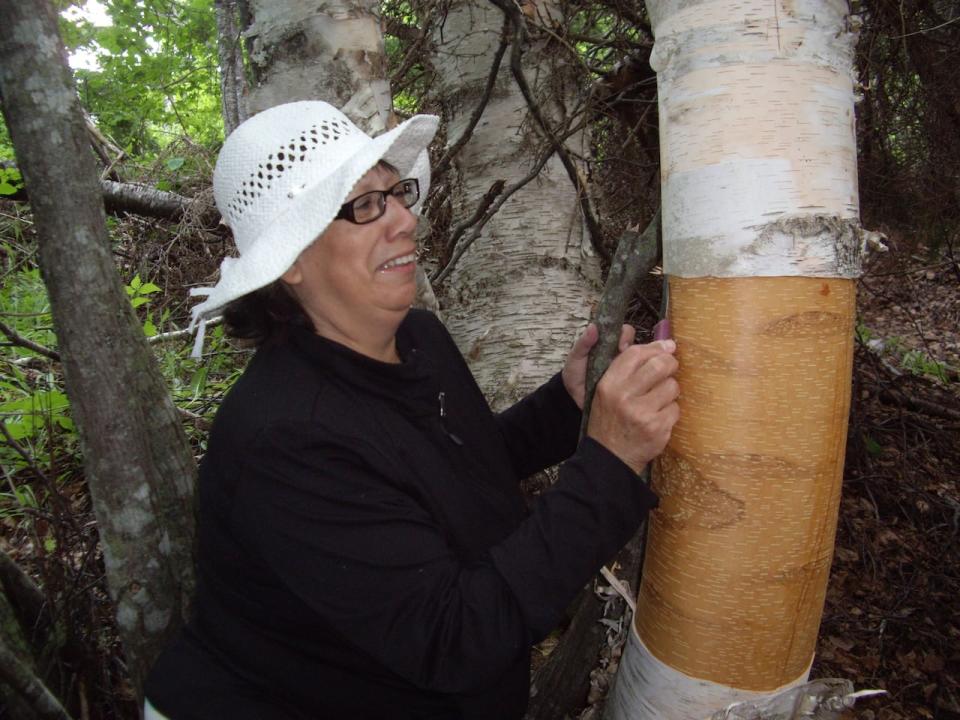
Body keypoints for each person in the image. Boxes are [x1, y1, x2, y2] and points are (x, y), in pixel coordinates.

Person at [144, 101, 680, 720]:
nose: (404, 219)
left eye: (395, 193)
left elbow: (460, 471)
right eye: (364, 204)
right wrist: (610, 463)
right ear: (290, 259)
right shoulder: (287, 441)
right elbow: (453, 639)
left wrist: (567, 402)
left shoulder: (417, 337)